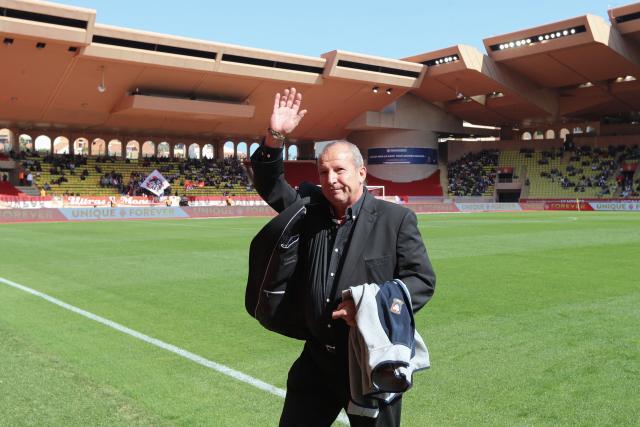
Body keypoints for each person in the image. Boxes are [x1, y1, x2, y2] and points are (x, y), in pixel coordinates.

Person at [250, 88, 436, 427]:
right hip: (316, 361)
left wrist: (368, 306)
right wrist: (275, 137)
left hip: (370, 361)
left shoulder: (396, 221)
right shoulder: (308, 210)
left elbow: (422, 280)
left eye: (339, 170)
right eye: (323, 172)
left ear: (361, 173)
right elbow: (270, 183)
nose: (331, 180)